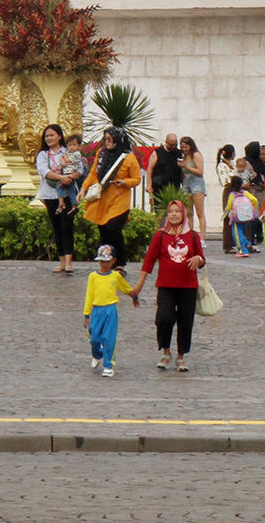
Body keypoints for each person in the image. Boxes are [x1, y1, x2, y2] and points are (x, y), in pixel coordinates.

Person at [131, 200, 205, 373]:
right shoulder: (160, 236)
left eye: (177, 211)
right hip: (166, 285)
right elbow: (148, 261)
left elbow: (202, 259)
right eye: (170, 211)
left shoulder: (192, 235)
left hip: (188, 286)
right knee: (164, 318)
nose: (173, 214)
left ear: (183, 214)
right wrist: (138, 286)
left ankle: (181, 356)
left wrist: (198, 259)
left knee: (185, 321)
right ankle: (166, 351)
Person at [79, 127, 141, 274]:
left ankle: (120, 263)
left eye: (109, 140)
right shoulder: (101, 154)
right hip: (102, 199)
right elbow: (93, 173)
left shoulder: (128, 158)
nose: (106, 142)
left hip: (119, 200)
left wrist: (124, 182)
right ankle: (107, 261)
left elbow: (137, 179)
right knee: (103, 231)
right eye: (105, 139)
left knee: (113, 229)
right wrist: (83, 189)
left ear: (117, 141)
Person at [83, 245, 138, 378]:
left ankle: (108, 364)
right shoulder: (93, 277)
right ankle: (97, 355)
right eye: (102, 261)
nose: (104, 264)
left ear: (113, 261)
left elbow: (126, 288)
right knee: (94, 339)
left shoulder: (115, 276)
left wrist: (134, 296)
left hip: (111, 310)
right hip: (97, 310)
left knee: (108, 337)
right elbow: (89, 295)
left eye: (107, 261)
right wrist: (86, 314)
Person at [35, 124, 78, 275]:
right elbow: (44, 171)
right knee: (57, 227)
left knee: (67, 226)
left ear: (59, 136)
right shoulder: (43, 155)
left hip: (67, 194)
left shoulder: (68, 152)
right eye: (46, 136)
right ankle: (61, 262)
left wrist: (69, 177)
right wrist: (61, 177)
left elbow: (79, 168)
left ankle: (68, 262)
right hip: (50, 194)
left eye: (52, 135)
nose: (49, 138)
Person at [178, 136, 207, 241]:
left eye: (186, 147)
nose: (184, 149)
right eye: (182, 147)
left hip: (197, 183)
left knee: (200, 212)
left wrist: (186, 166)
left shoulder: (196, 155)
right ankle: (189, 236)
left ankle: (202, 238)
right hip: (186, 183)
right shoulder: (183, 156)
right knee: (188, 212)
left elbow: (200, 171)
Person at [54, 134, 87, 215]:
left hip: (70, 174)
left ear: (79, 146)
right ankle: (64, 204)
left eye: (74, 145)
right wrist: (63, 159)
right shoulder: (68, 153)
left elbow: (67, 161)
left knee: (64, 188)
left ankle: (70, 204)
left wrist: (64, 156)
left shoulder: (77, 154)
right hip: (65, 173)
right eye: (69, 145)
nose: (71, 147)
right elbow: (63, 164)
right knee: (67, 189)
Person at [225, 176, 258, 258]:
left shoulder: (232, 195)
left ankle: (243, 250)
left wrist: (228, 210)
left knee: (237, 234)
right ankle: (247, 244)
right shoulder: (245, 193)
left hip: (236, 218)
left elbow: (229, 206)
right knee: (242, 232)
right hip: (246, 216)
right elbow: (255, 200)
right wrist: (251, 207)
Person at [216, 144, 237, 254]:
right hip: (229, 190)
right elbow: (225, 180)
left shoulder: (232, 165)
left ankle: (238, 241)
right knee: (228, 216)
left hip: (237, 190)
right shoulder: (222, 166)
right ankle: (228, 244)